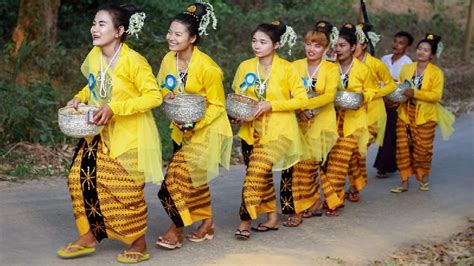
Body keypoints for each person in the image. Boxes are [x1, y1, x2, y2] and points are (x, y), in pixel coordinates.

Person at [57, 3, 163, 264]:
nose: (94, 28)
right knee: (78, 180)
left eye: (101, 24)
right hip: (96, 134)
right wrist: (77, 98)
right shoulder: (94, 56)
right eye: (94, 23)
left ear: (119, 31)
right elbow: (92, 86)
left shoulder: (134, 61)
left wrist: (115, 108)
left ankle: (138, 241)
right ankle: (90, 235)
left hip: (129, 135)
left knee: (123, 190)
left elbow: (154, 96)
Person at [155, 2, 233, 249]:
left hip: (208, 131)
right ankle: (207, 222)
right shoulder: (169, 59)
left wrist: (194, 123)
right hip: (181, 129)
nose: (171, 37)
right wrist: (165, 94)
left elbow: (218, 106)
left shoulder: (208, 69)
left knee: (172, 183)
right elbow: (162, 87)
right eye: (170, 32)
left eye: (178, 34)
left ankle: (177, 228)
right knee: (195, 180)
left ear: (193, 38)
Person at [232, 20, 307, 239]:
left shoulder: (287, 68)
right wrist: (238, 113)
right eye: (254, 40)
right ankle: (272, 217)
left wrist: (272, 104)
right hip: (251, 132)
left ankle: (244, 222)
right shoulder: (245, 66)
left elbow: (301, 100)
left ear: (276, 45)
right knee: (260, 177)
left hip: (278, 132)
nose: (257, 45)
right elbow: (240, 96)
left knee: (254, 175)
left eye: (263, 42)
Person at [279, 20, 339, 227]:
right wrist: (298, 109)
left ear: (326, 48)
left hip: (320, 123)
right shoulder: (295, 66)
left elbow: (329, 96)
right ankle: (311, 202)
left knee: (308, 166)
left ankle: (304, 205)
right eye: (309, 44)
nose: (312, 49)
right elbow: (287, 92)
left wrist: (305, 106)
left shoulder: (331, 69)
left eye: (318, 45)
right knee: (297, 165)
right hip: (297, 120)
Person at [319, 23, 376, 216]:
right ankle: (337, 194)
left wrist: (362, 98)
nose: (337, 49)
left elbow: (371, 90)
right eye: (335, 45)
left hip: (353, 122)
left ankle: (334, 201)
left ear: (353, 47)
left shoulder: (362, 69)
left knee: (338, 161)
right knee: (325, 161)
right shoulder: (328, 67)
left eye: (342, 45)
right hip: (329, 120)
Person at [391, 33, 455, 193]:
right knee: (402, 148)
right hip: (405, 113)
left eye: (426, 50)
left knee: (423, 150)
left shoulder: (436, 73)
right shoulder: (407, 68)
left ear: (432, 55)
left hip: (425, 117)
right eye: (420, 48)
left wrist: (415, 94)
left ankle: (423, 176)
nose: (421, 52)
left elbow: (436, 96)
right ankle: (404, 181)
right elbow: (400, 87)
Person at [346, 22, 396, 201]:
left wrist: (373, 94)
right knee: (348, 151)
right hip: (351, 114)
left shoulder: (375, 64)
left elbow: (390, 85)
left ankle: (354, 187)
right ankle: (355, 183)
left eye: (357, 44)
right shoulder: (344, 64)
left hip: (372, 114)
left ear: (364, 45)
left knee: (358, 151)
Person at [374, 31, 414, 178]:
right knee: (382, 132)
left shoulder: (407, 63)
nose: (396, 45)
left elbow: (406, 85)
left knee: (390, 134)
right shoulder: (384, 59)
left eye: (401, 43)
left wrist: (395, 98)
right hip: (381, 99)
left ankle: (385, 165)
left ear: (407, 47)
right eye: (395, 41)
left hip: (396, 103)